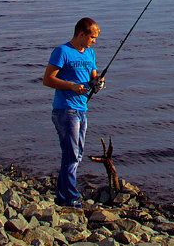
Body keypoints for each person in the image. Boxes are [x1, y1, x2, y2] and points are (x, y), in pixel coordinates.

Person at [42, 17, 103, 207]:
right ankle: (70, 198)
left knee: (76, 154)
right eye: (92, 37)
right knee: (71, 155)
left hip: (81, 109)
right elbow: (47, 79)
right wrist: (71, 86)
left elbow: (93, 77)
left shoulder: (90, 53)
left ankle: (62, 196)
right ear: (81, 34)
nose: (94, 41)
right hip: (65, 110)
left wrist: (97, 83)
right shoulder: (62, 52)